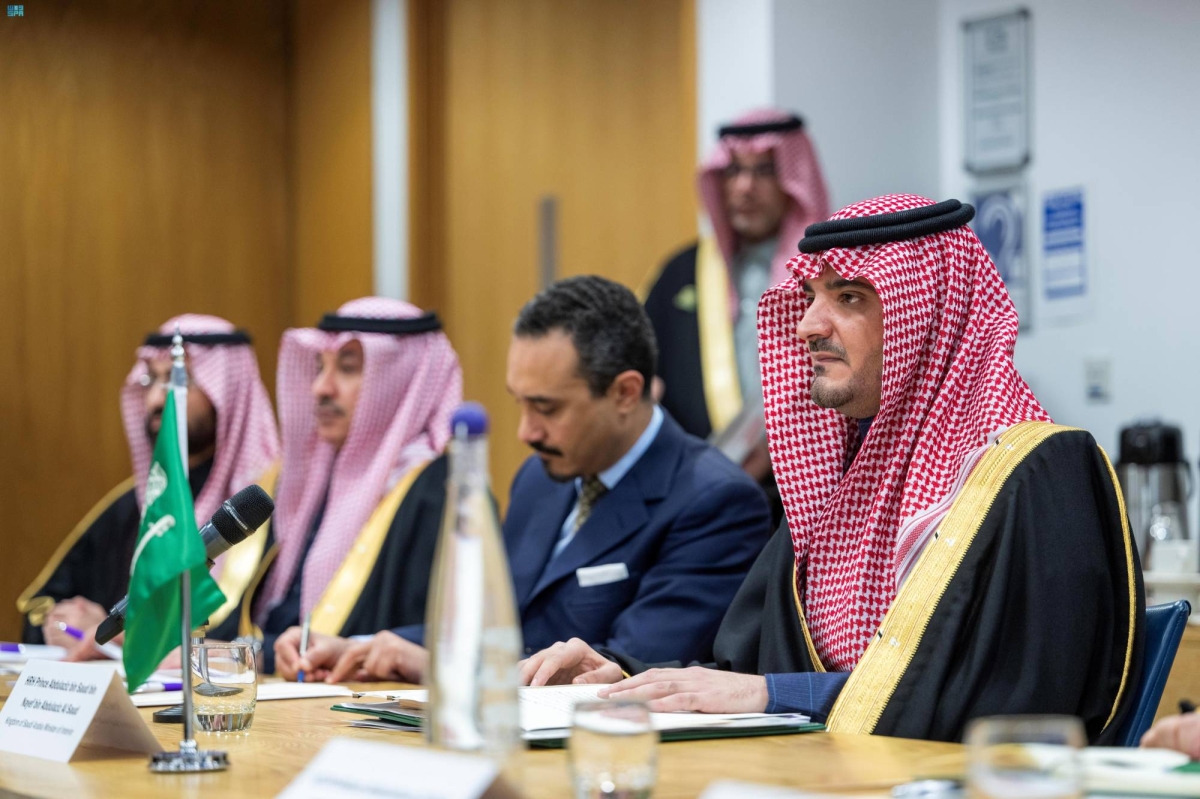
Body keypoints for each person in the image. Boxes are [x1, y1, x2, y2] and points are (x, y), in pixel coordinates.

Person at [520, 196, 1144, 745]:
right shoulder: (834, 479)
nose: (808, 326)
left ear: (929, 315)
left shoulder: (1036, 472)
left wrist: (779, 695)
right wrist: (624, 679)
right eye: (811, 297)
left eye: (849, 298)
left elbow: (1012, 706)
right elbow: (742, 669)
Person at [273, 276, 771, 683]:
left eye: (546, 408)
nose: (526, 432)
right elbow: (497, 626)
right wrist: (365, 647)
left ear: (624, 392)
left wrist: (440, 667)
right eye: (520, 403)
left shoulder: (716, 500)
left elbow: (622, 670)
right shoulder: (541, 475)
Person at [18, 315, 281, 655]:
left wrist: (125, 638)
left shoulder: (261, 507)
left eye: (178, 380)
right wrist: (68, 626)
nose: (156, 399)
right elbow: (41, 607)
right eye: (151, 379)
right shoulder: (132, 505)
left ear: (228, 390)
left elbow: (267, 639)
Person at [224, 298, 462, 672]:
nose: (321, 388)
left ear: (399, 381)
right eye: (320, 368)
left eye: (348, 369)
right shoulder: (307, 480)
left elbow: (440, 639)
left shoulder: (441, 491)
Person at [643, 109, 829, 523]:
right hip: (697, 499)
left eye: (764, 171)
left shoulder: (831, 274)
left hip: (807, 499)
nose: (745, 187)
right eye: (733, 171)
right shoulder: (681, 273)